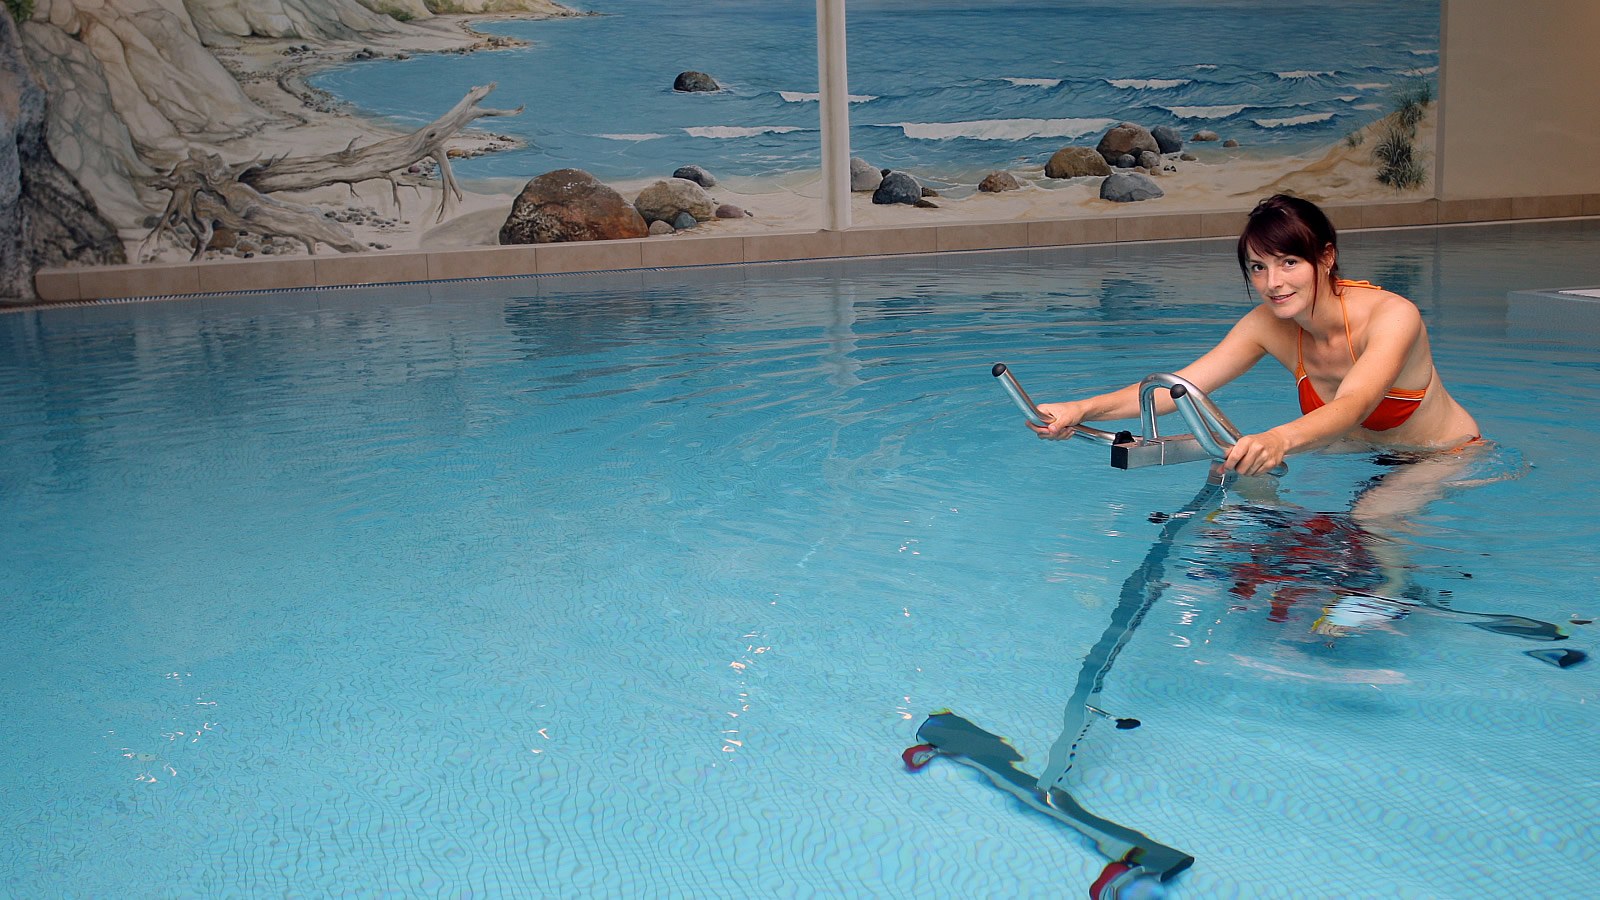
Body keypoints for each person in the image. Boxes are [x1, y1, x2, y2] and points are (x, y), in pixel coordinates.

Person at [1030, 193, 1481, 476]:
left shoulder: (1392, 316)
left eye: (1289, 262)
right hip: (1356, 448)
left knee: (1371, 519)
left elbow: (1354, 404)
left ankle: (1389, 599)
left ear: (1325, 258)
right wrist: (1079, 408)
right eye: (1258, 267)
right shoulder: (1268, 324)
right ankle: (1267, 561)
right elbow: (1181, 388)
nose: (1273, 283)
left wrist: (1279, 439)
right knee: (1234, 468)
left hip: (1440, 454)